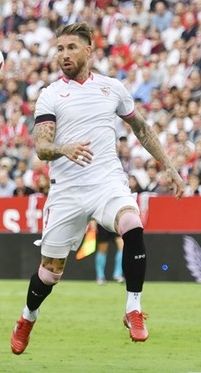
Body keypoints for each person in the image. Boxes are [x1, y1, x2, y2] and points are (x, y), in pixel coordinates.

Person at [10, 22, 185, 355]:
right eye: (59, 48)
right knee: (50, 274)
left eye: (71, 48)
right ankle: (27, 317)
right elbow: (41, 147)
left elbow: (142, 129)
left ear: (88, 50)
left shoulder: (112, 88)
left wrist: (170, 168)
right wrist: (65, 149)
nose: (64, 54)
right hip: (67, 190)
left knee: (132, 225)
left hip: (107, 182)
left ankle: (133, 308)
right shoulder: (50, 94)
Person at [92, 220, 124, 285]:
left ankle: (118, 274)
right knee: (102, 250)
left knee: (122, 247)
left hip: (115, 223)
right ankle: (100, 276)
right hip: (102, 223)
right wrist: (92, 223)